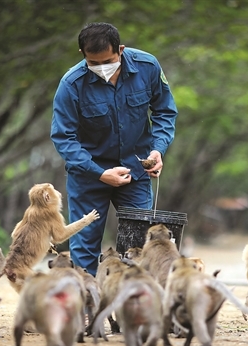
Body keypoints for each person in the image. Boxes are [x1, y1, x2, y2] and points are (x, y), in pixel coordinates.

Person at [50, 22, 177, 275]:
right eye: (93, 63)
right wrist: (98, 172)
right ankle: (87, 308)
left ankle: (134, 308)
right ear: (82, 55)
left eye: (107, 61)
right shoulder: (71, 84)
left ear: (121, 49)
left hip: (136, 172)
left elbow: (164, 111)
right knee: (84, 245)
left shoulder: (147, 66)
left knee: (139, 244)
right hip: (88, 176)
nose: (101, 68)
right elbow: (64, 137)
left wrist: (157, 150)